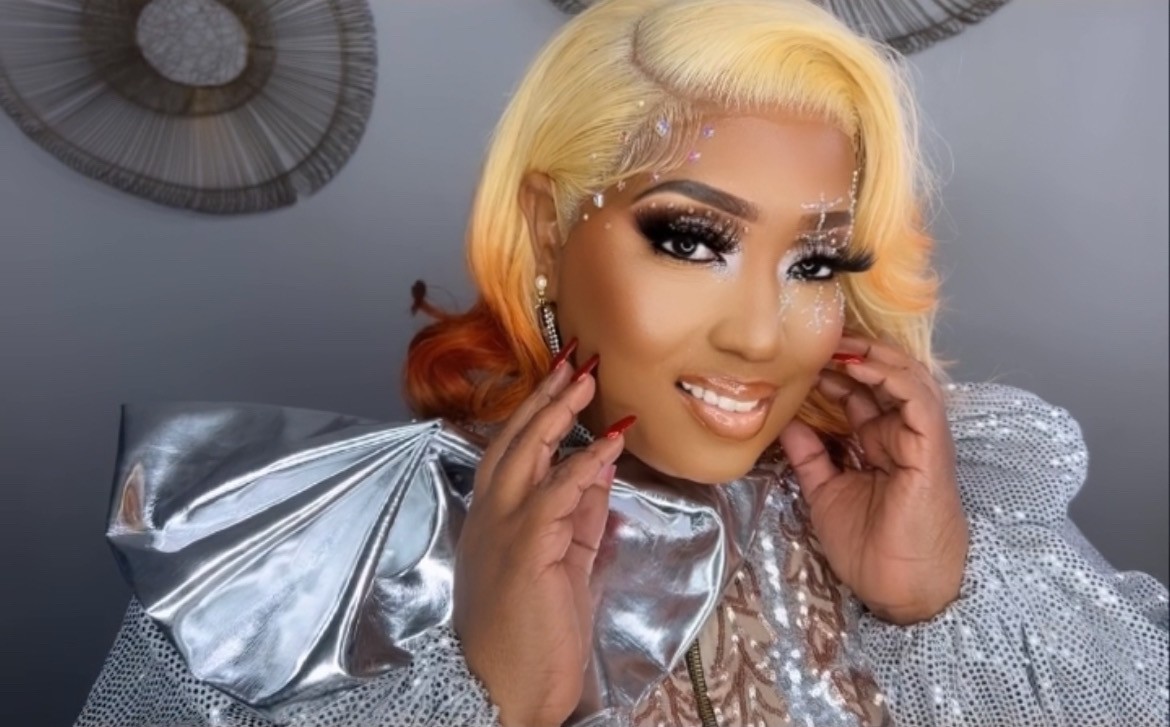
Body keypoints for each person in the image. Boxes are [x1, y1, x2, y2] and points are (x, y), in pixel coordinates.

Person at [75, 0, 1169, 725]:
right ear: (546, 229)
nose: (760, 334)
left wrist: (933, 606)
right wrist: (490, 703)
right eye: (691, 240)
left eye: (816, 261)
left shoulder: (940, 521)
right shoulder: (324, 560)